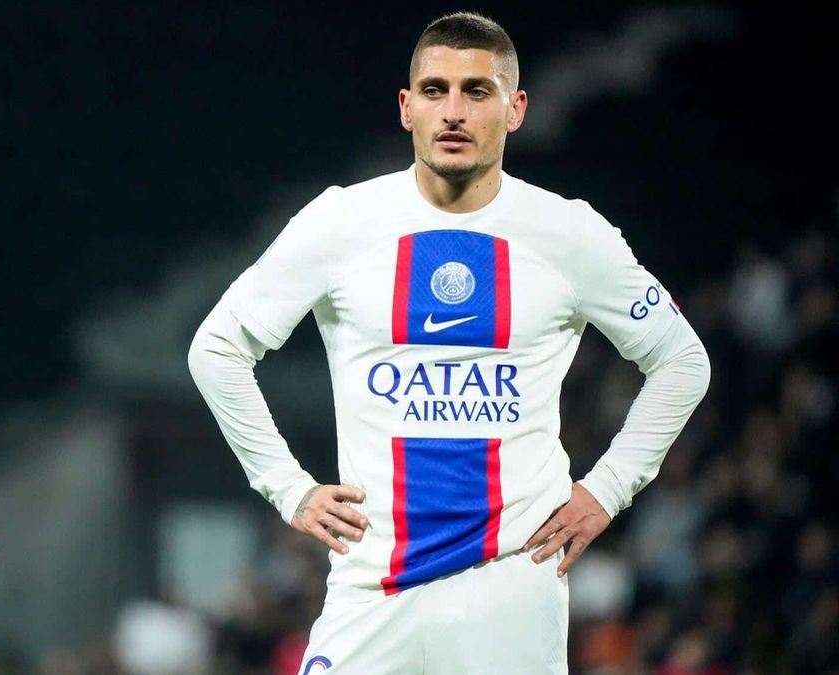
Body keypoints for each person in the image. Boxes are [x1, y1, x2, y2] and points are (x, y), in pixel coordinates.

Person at [187, 10, 710, 674]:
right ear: (407, 107)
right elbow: (217, 349)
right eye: (436, 90)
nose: (454, 111)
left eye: (477, 91)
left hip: (511, 597)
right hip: (373, 592)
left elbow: (682, 360)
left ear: (516, 109)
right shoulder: (341, 222)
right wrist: (288, 487)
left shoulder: (570, 234)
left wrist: (608, 489)